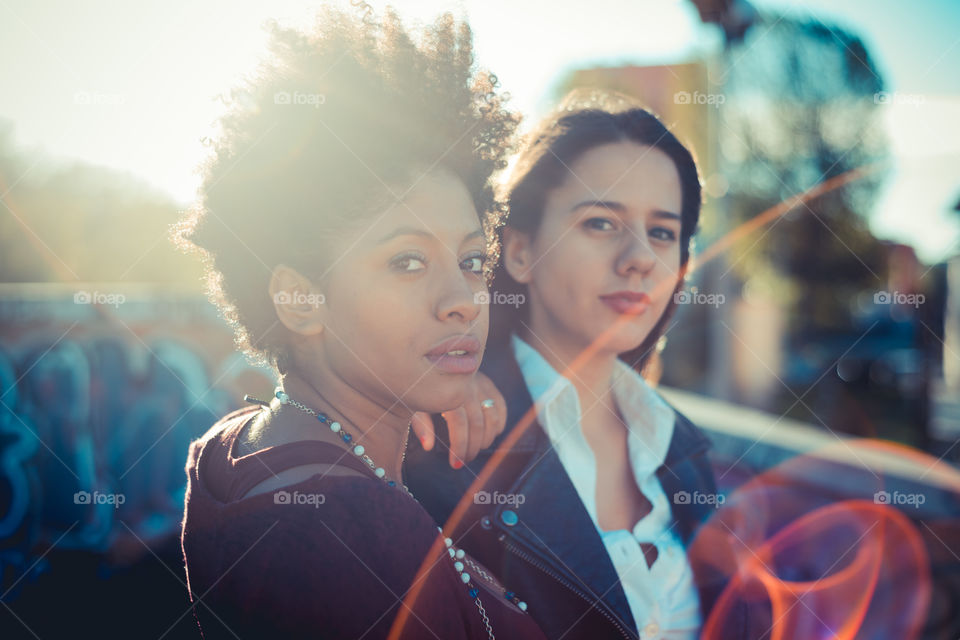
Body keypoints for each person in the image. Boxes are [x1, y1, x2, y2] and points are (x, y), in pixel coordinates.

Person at [174, 7, 546, 639]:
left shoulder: (244, 443)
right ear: (299, 299)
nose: (462, 299)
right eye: (407, 262)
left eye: (471, 260)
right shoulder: (332, 533)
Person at [405, 91, 722, 640]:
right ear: (520, 251)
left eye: (663, 232)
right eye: (601, 223)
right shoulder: (442, 436)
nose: (640, 258)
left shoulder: (682, 452)